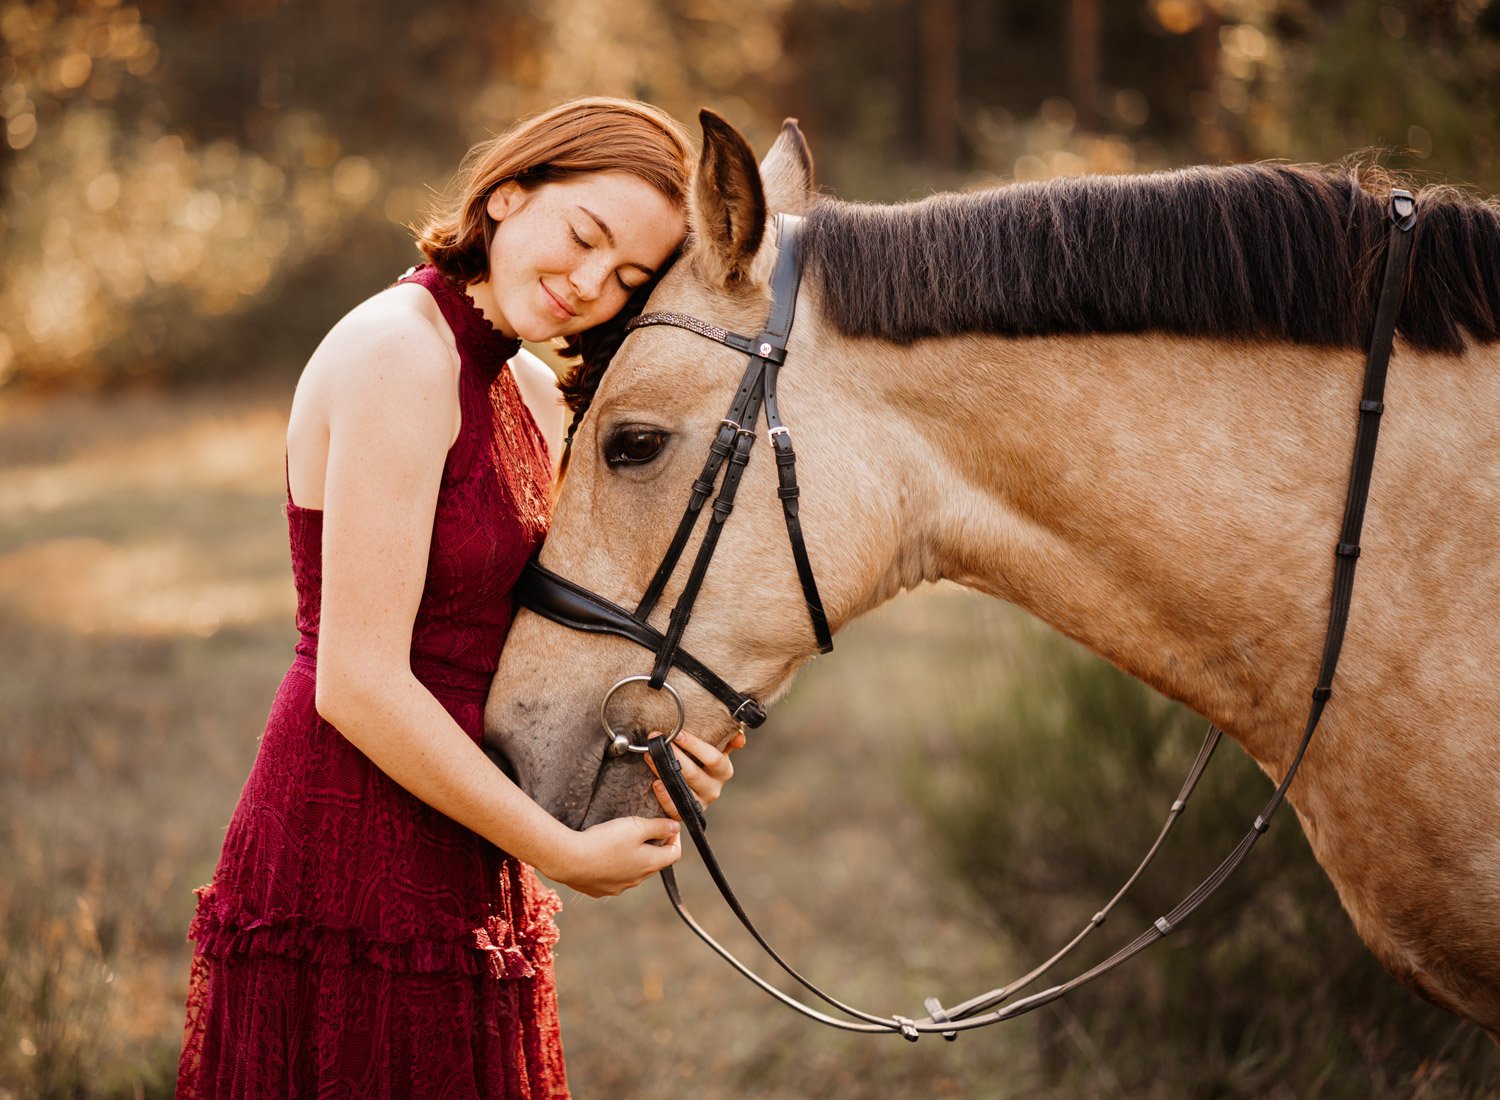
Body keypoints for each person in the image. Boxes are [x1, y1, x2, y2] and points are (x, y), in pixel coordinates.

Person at [176, 97, 740, 1100]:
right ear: (511, 191)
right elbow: (356, 680)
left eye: (626, 279)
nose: (589, 284)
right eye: (583, 237)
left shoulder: (521, 379)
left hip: (460, 829)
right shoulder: (401, 351)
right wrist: (562, 847)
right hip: (345, 839)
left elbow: (509, 640)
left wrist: (647, 750)